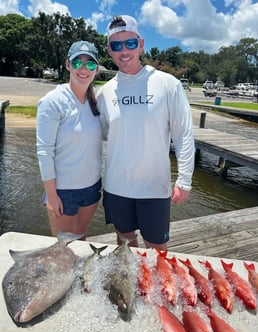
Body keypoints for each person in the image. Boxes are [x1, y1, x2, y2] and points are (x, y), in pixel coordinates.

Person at [97, 15, 195, 250]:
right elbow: (94, 135)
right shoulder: (104, 92)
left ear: (141, 44)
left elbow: (183, 133)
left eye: (130, 43)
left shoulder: (167, 84)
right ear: (109, 50)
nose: (124, 51)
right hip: (116, 188)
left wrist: (185, 180)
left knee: (157, 249)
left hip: (155, 189)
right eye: (116, 45)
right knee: (125, 244)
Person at [36, 41, 102, 239]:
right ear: (67, 65)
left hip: (91, 187)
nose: (83, 69)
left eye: (90, 64)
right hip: (63, 190)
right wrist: (52, 195)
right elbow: (44, 151)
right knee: (63, 245)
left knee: (80, 237)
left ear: (96, 69)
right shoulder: (52, 101)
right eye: (77, 63)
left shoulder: (95, 102)